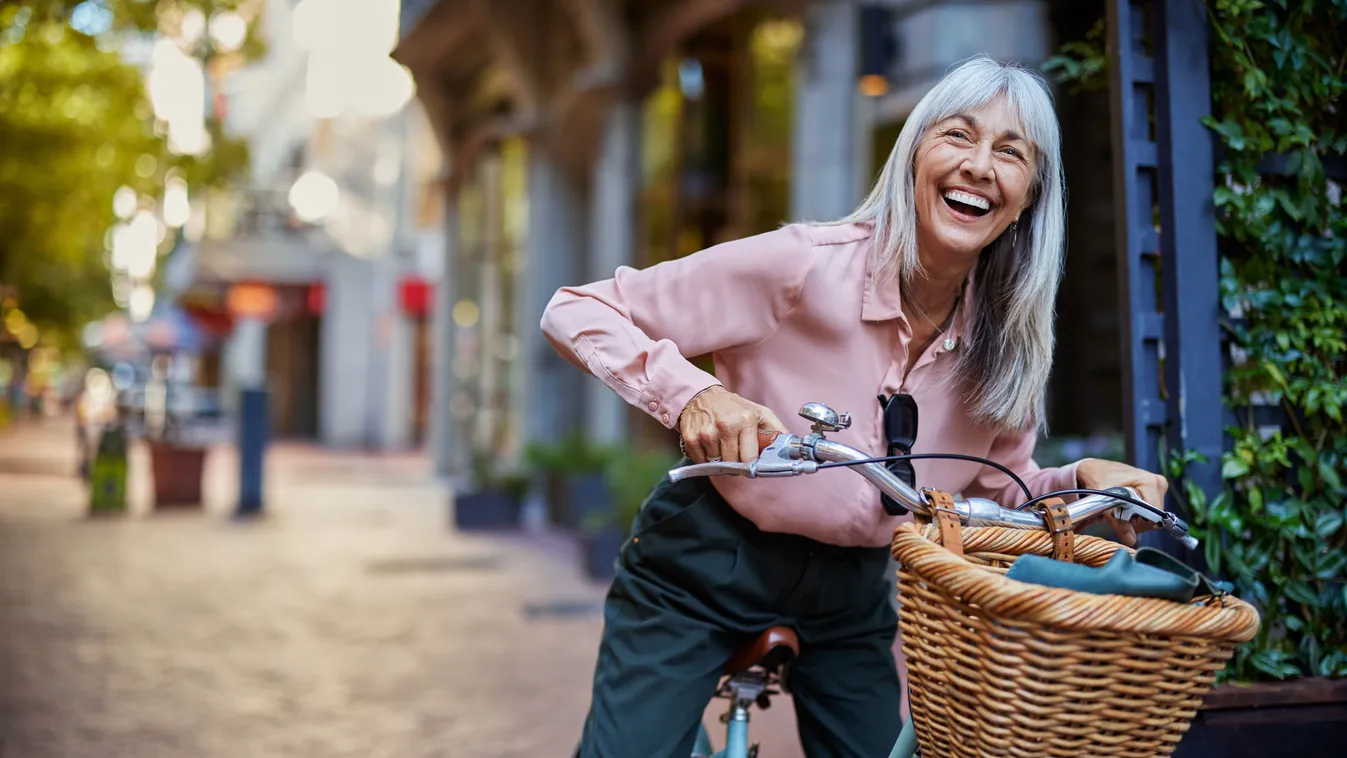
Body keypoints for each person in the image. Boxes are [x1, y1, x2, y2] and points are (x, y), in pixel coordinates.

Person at [540, 55, 1169, 758]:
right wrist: (694, 394)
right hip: (703, 566)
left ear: (1028, 197)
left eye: (1009, 153)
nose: (980, 166)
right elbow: (578, 310)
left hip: (852, 598)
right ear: (912, 157)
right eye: (957, 136)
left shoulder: (1005, 346)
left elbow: (1000, 489)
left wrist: (1083, 487)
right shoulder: (802, 265)